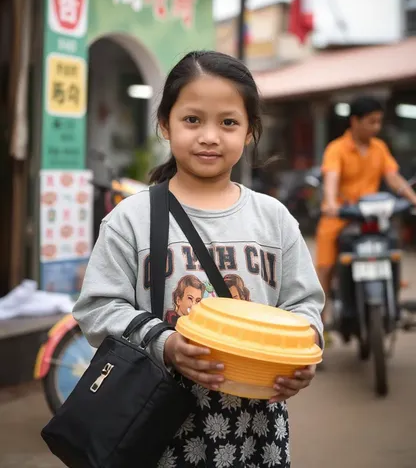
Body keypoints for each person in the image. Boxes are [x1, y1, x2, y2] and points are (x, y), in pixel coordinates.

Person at [73, 50, 324, 468]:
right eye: (193, 120)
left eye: (228, 122)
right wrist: (166, 343)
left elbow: (304, 306)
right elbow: (97, 308)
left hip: (258, 426)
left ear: (249, 132)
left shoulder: (274, 219)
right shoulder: (130, 219)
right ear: (164, 125)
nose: (210, 136)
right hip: (160, 420)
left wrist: (303, 355)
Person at [316, 96, 416, 335]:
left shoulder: (379, 148)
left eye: (379, 122)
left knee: (393, 247)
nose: (376, 127)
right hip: (340, 215)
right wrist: (330, 203)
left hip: (373, 216)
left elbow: (393, 177)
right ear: (355, 121)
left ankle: (391, 294)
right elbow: (331, 177)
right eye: (371, 122)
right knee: (325, 269)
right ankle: (320, 326)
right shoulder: (336, 149)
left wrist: (413, 198)